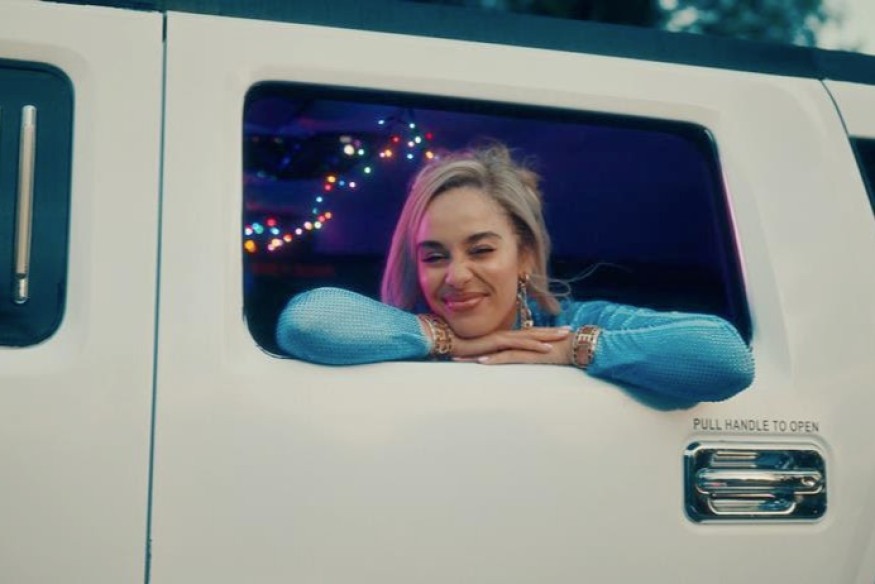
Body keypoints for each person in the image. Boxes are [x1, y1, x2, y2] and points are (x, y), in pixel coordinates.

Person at [276, 143, 754, 402]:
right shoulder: (391, 331)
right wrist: (447, 342)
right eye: (434, 256)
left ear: (524, 255)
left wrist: (570, 350)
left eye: (481, 250)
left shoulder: (570, 322)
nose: (457, 275)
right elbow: (305, 322)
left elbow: (725, 357)